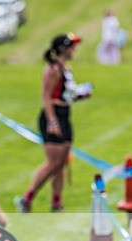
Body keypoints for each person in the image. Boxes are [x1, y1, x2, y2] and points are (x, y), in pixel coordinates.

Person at [16, 34, 90, 213]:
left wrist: (80, 95)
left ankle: (57, 202)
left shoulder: (66, 68)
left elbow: (65, 94)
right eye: (72, 47)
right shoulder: (53, 69)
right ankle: (26, 199)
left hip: (65, 114)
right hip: (53, 116)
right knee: (52, 162)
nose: (75, 50)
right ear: (64, 49)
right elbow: (46, 96)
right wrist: (52, 121)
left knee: (61, 162)